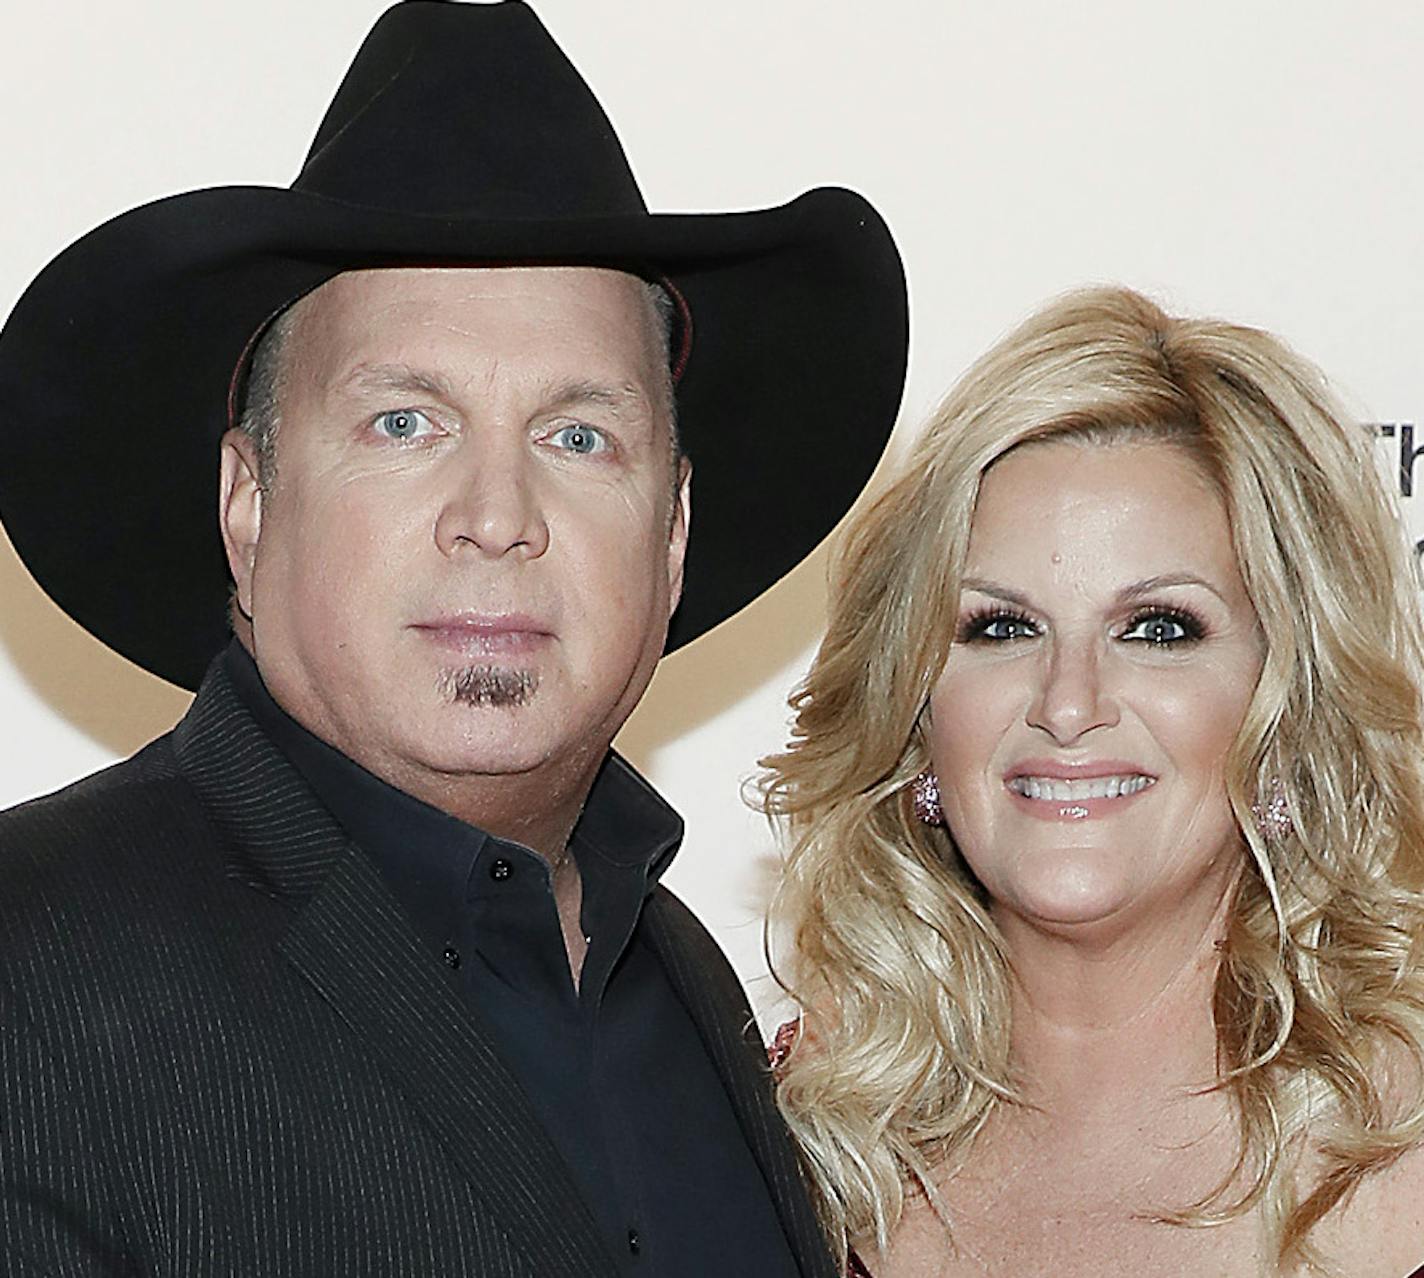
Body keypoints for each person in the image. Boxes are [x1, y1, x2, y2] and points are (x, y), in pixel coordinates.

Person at [0, 3, 907, 1275]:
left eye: (578, 436)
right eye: (404, 424)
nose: (497, 517)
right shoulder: (26, 969)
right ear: (250, 507)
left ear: (674, 531)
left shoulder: (688, 984)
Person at [763, 286, 1424, 1277]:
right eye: (999, 626)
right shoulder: (798, 1136)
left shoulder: (1402, 1143)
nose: (1066, 705)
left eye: (1157, 628)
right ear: (915, 718)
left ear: (1283, 703)